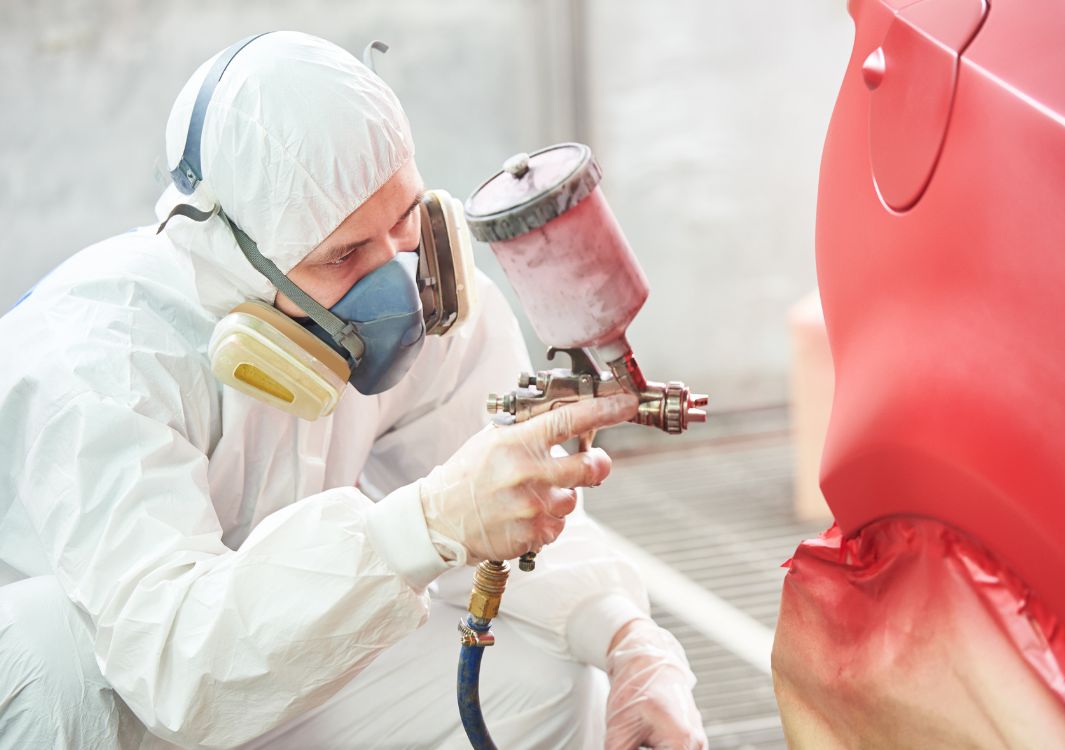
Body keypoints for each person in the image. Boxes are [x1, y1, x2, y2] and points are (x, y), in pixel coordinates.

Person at [0, 31, 706, 750]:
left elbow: (508, 504)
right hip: (123, 696)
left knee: (543, 680)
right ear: (236, 255)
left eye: (402, 219)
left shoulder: (425, 298)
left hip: (262, 660)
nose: (394, 281)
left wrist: (629, 641)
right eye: (343, 254)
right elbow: (175, 669)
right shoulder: (104, 360)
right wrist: (422, 524)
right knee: (53, 656)